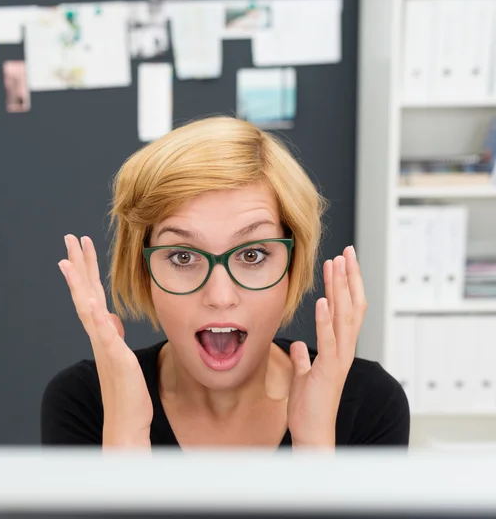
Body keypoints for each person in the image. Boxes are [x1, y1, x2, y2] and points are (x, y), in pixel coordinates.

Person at [41, 116, 409, 449]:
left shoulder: (369, 403)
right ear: (143, 269)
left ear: (292, 264)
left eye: (252, 255)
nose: (219, 296)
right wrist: (126, 437)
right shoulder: (85, 401)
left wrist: (313, 445)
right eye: (183, 257)